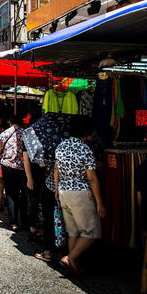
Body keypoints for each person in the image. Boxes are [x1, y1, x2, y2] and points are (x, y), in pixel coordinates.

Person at [54, 116, 106, 275]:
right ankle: (70, 258)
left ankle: (73, 265)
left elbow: (56, 169)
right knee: (92, 232)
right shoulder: (84, 149)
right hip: (80, 193)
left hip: (64, 192)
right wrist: (99, 202)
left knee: (73, 231)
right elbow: (91, 178)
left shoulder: (61, 145)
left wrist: (57, 189)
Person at [0, 116, 26, 232]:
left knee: (10, 193)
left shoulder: (4, 134)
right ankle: (25, 221)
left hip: (7, 166)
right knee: (23, 193)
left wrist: (5, 157)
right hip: (23, 167)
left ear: (10, 123)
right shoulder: (26, 134)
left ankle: (14, 222)